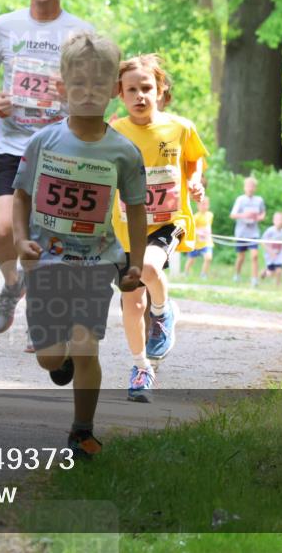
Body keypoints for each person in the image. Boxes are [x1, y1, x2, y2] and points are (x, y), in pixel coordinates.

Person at [11, 31, 146, 457]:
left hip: (96, 262)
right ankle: (60, 357)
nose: (88, 93)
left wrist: (135, 265)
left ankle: (81, 432)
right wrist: (20, 240)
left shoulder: (123, 152)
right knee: (50, 359)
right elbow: (21, 196)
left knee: (88, 345)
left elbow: (137, 210)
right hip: (47, 262)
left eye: (98, 85)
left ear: (113, 90)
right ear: (61, 87)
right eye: (79, 84)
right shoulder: (44, 142)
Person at [0, 0, 95, 335]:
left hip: (61, 147)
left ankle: (42, 315)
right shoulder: (3, 26)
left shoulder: (80, 33)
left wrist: (72, 93)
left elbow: (96, 90)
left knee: (49, 237)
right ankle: (13, 285)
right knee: (0, 231)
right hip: (11, 145)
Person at [110, 54, 207, 403]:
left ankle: (163, 311)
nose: (140, 95)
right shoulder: (114, 131)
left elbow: (194, 158)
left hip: (168, 221)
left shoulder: (179, 127)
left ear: (161, 89)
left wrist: (195, 182)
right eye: (131, 89)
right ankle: (141, 367)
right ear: (120, 94)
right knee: (131, 301)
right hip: (124, 228)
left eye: (146, 88)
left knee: (149, 267)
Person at [230, 176, 266, 287]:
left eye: (252, 186)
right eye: (248, 186)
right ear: (244, 188)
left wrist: (259, 217)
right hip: (241, 233)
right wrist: (244, 215)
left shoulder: (259, 200)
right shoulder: (240, 200)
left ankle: (254, 280)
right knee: (241, 257)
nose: (250, 188)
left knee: (254, 256)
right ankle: (237, 275)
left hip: (253, 233)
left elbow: (263, 213)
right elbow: (232, 215)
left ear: (255, 188)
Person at [184, 196, 213, 279]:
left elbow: (208, 226)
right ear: (198, 205)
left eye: (205, 204)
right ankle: (186, 273)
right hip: (196, 243)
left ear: (208, 205)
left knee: (208, 258)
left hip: (207, 242)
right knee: (191, 260)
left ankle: (203, 274)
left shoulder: (210, 215)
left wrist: (208, 233)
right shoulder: (195, 217)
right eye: (202, 204)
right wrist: (199, 232)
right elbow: (191, 228)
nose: (204, 206)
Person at [261, 211, 282, 285]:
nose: (280, 222)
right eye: (278, 220)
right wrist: (270, 252)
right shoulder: (270, 231)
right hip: (270, 255)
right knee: (271, 273)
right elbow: (263, 242)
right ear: (274, 221)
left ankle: (278, 284)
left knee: (279, 270)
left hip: (279, 255)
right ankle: (264, 272)